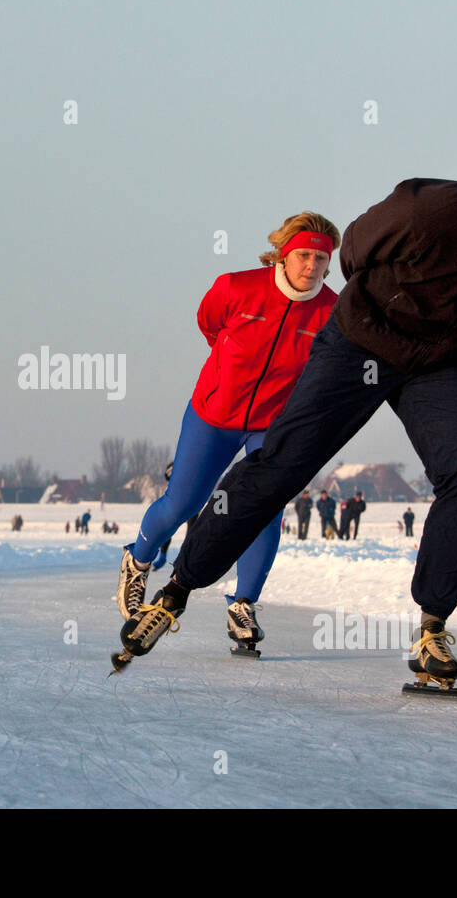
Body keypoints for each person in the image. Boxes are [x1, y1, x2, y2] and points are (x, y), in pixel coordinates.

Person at [119, 127, 457, 690]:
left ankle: (432, 629)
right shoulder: (424, 207)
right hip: (362, 344)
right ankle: (178, 591)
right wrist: (390, 312)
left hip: (440, 365)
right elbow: (356, 249)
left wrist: (443, 339)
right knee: (282, 464)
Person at [116, 211, 340, 657]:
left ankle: (243, 604)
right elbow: (209, 325)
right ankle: (138, 559)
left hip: (272, 425)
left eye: (320, 258)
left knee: (263, 511)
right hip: (213, 415)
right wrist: (227, 376)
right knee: (182, 503)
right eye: (303, 255)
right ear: (283, 253)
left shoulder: (332, 311)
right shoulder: (236, 288)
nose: (311, 266)